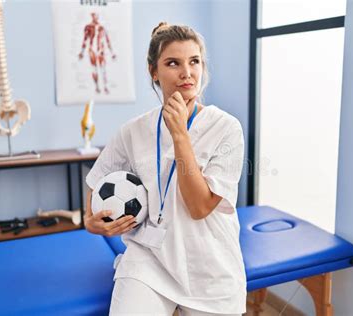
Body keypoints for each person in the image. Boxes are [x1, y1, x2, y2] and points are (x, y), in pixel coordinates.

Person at [84, 22, 246, 315]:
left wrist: (180, 136)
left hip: (210, 267)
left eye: (194, 61)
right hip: (149, 260)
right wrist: (90, 220)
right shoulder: (133, 131)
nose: (187, 72)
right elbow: (98, 179)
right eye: (173, 63)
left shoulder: (226, 128)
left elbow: (199, 207)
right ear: (153, 72)